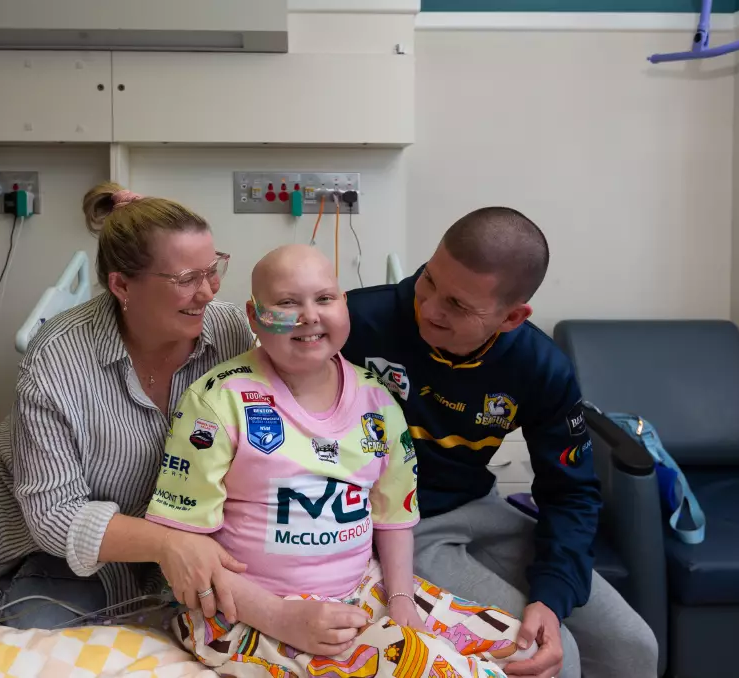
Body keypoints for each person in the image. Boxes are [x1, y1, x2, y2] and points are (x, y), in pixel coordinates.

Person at [0, 185, 254, 676]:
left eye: (212, 269)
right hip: (11, 501)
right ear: (122, 287)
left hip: (120, 542)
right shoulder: (58, 356)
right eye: (186, 278)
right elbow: (54, 515)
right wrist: (168, 543)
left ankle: (20, 593)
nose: (209, 291)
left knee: (38, 638)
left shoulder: (229, 335)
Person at [145, 244, 535, 678]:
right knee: (437, 668)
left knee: (521, 650)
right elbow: (181, 549)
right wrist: (277, 616)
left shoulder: (378, 401)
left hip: (360, 589)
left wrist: (401, 601)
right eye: (287, 303)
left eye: (324, 299)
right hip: (243, 610)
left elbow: (394, 516)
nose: (309, 315)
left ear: (345, 305)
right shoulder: (219, 402)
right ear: (254, 317)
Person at [339, 208, 659, 678]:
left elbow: (571, 492)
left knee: (632, 647)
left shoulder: (540, 368)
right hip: (398, 523)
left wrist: (552, 596)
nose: (429, 309)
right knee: (550, 657)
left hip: (478, 504)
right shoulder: (356, 322)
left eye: (458, 305)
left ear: (512, 317)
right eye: (428, 281)